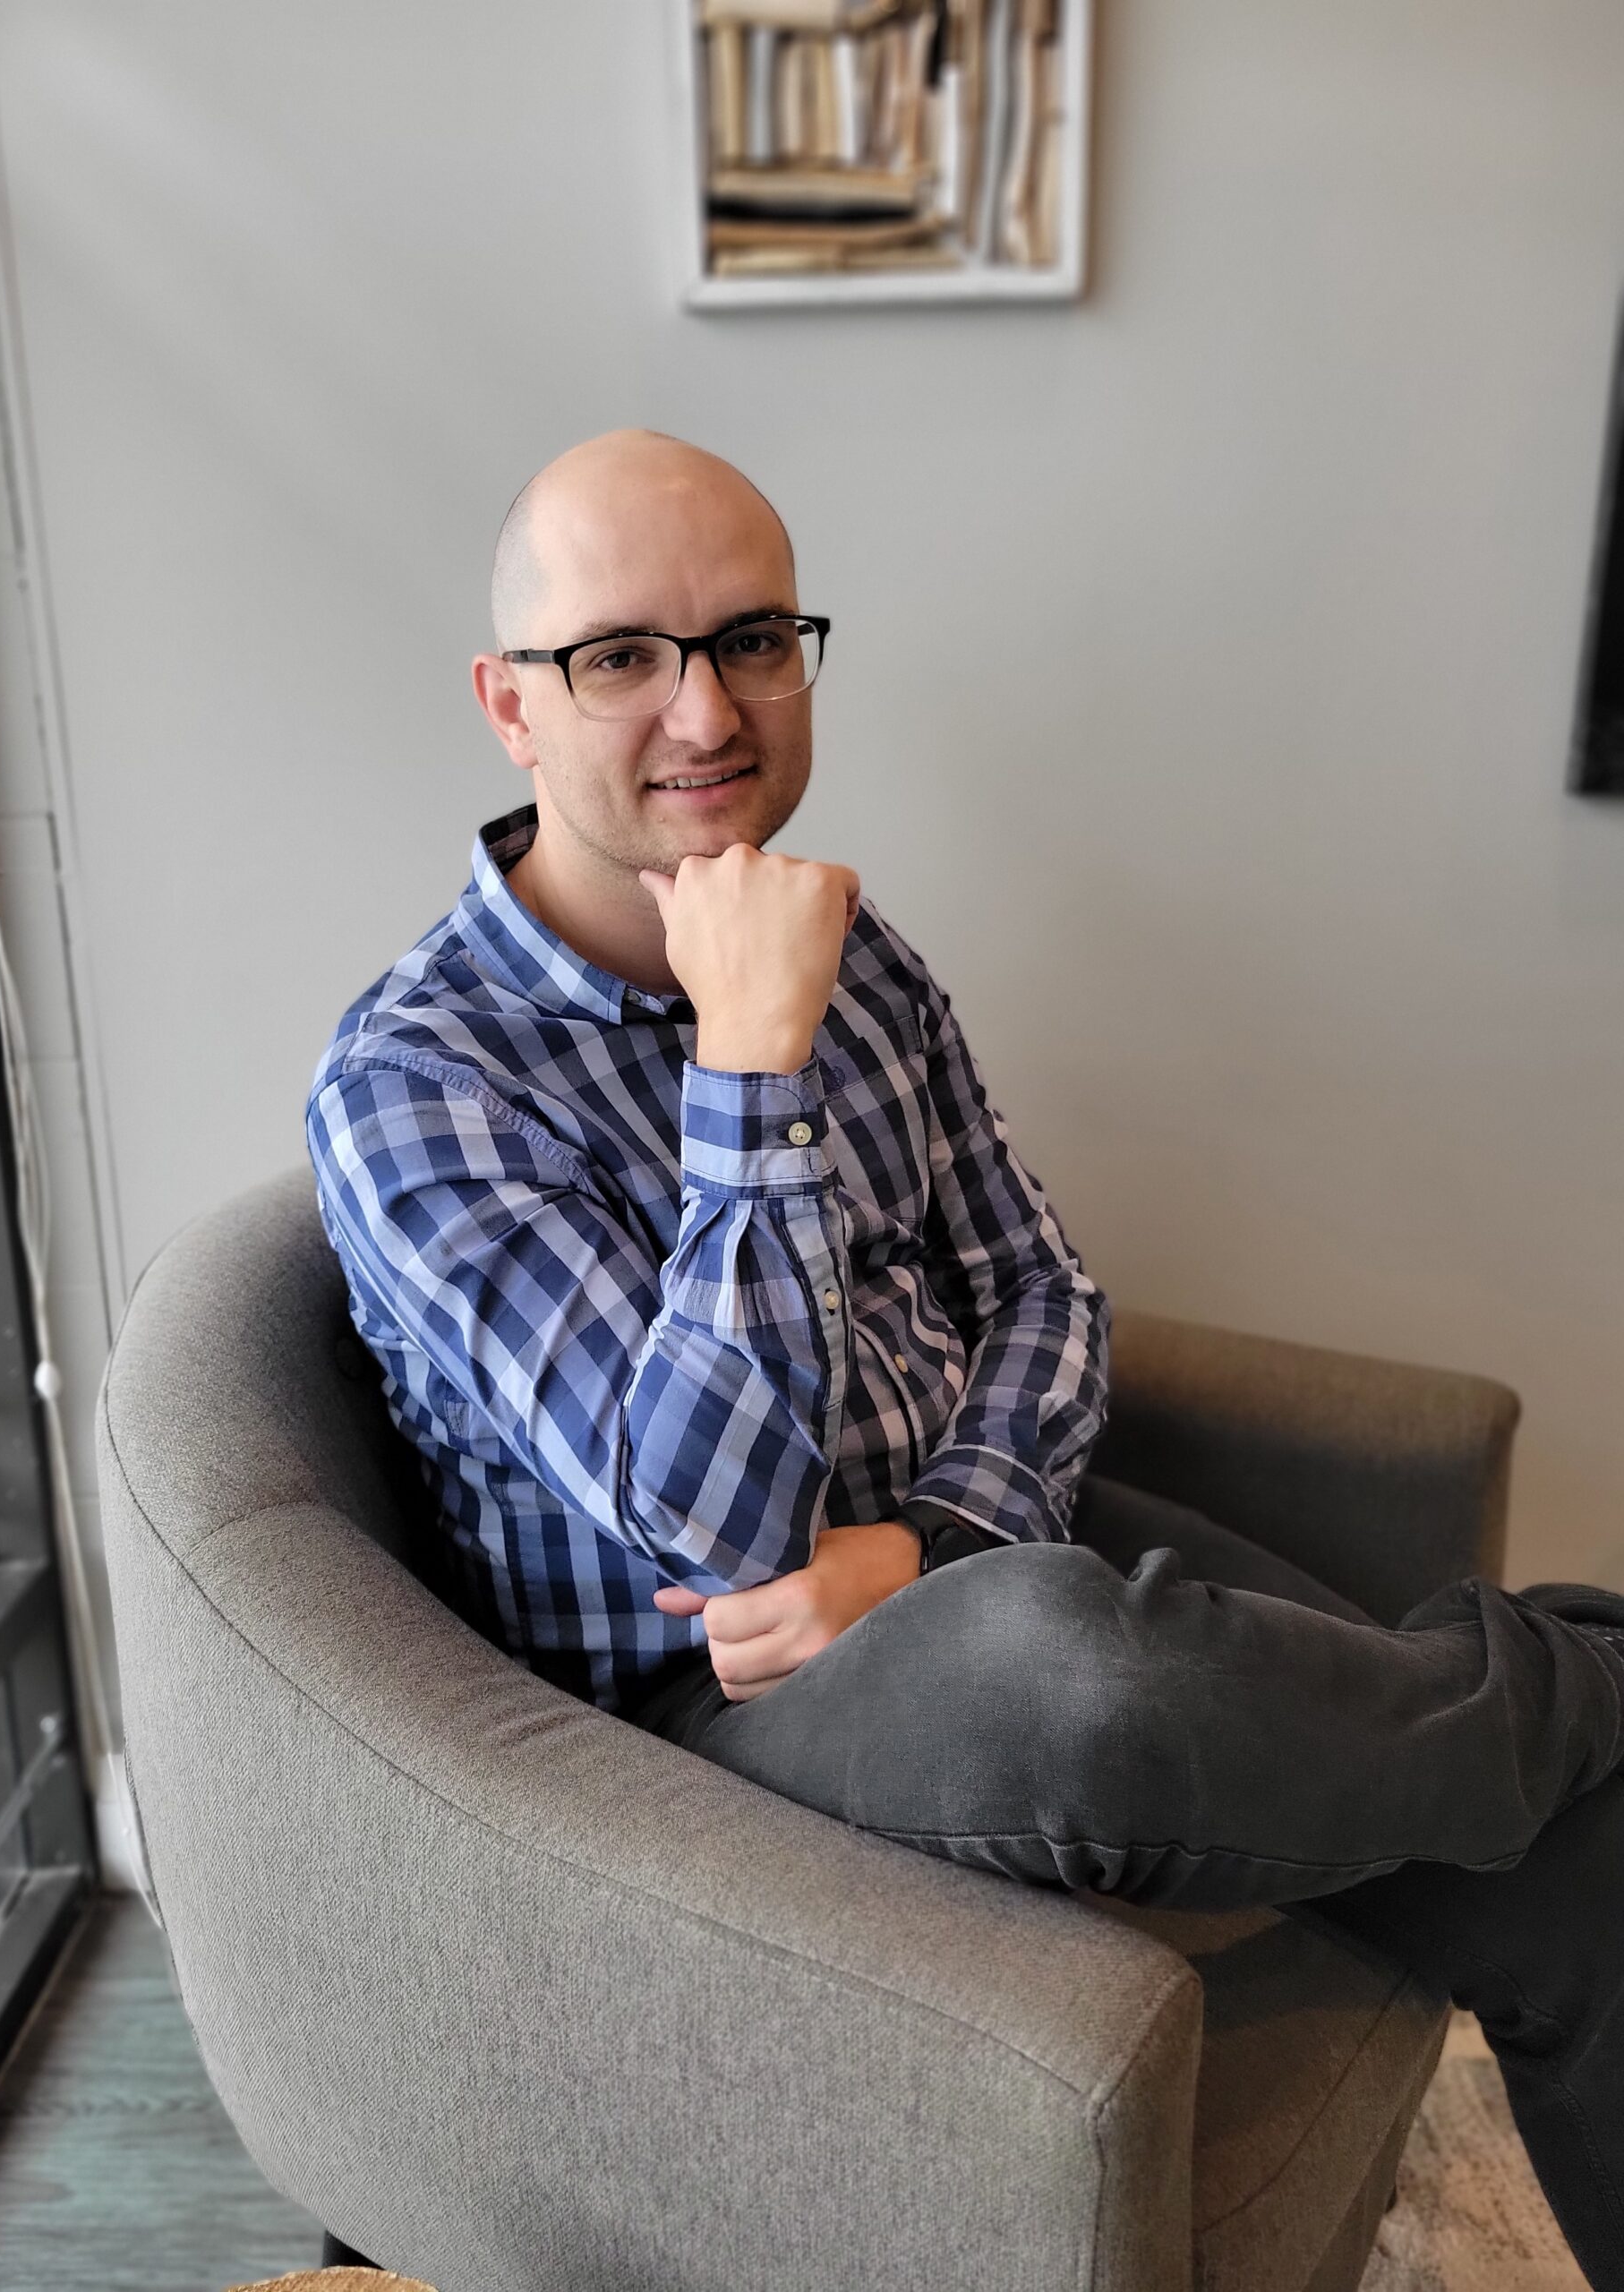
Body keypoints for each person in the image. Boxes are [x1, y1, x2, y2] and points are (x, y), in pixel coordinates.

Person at [305, 426, 1624, 2288]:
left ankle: (1575, 1707)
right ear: (511, 705)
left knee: (1583, 1879)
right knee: (1082, 1689)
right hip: (710, 1697)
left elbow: (1045, 1292)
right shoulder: (416, 1084)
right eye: (620, 656)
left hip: (966, 1541)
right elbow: (711, 1526)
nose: (707, 707)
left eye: (752, 638)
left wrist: (937, 1539)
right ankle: (1590, 1676)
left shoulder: (857, 948)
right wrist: (747, 1062)